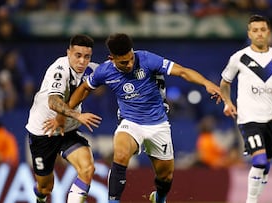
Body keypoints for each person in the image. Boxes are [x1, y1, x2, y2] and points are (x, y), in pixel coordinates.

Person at [50, 33, 222, 203]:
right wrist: (62, 114)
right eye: (124, 62)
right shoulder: (105, 71)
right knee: (121, 153)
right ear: (112, 58)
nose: (130, 64)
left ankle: (159, 198)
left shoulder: (147, 59)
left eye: (131, 58)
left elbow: (182, 72)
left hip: (158, 125)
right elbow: (84, 89)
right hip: (130, 122)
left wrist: (206, 83)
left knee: (165, 177)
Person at [219, 14, 272, 203]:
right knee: (259, 161)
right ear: (249, 33)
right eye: (255, 30)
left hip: (271, 118)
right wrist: (227, 102)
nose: (259, 34)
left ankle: (256, 198)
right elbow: (224, 82)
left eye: (262, 30)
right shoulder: (239, 58)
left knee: (266, 165)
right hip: (248, 118)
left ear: (268, 32)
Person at [25, 34, 102, 203]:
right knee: (46, 187)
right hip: (44, 131)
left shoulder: (92, 68)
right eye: (78, 55)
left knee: (87, 169)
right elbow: (53, 101)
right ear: (69, 53)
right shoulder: (59, 70)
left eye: (87, 57)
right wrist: (77, 115)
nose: (82, 61)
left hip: (68, 130)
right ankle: (39, 196)